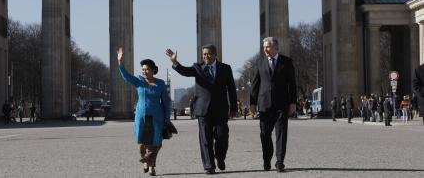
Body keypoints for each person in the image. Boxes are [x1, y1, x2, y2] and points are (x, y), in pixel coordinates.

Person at [166, 44, 237, 175]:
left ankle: (220, 158)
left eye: (208, 54)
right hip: (203, 109)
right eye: (204, 54)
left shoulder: (225, 68)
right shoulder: (197, 67)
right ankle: (209, 166)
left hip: (220, 108)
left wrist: (234, 108)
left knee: (222, 136)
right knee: (205, 138)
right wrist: (175, 62)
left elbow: (232, 89)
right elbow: (184, 71)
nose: (206, 56)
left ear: (215, 54)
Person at [118, 47, 170, 176]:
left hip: (156, 117)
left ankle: (152, 166)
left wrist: (167, 117)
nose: (144, 71)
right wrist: (120, 62)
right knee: (142, 143)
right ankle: (145, 161)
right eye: (143, 69)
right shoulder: (139, 81)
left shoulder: (160, 84)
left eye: (147, 69)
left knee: (155, 143)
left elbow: (166, 102)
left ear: (153, 70)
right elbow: (126, 76)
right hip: (141, 116)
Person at [250, 37, 297, 173]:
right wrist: (252, 103)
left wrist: (293, 102)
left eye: (267, 47)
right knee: (265, 134)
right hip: (264, 105)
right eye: (264, 47)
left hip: (282, 104)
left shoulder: (287, 62)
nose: (265, 49)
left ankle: (280, 162)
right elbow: (255, 84)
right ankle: (266, 159)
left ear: (276, 47)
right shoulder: (259, 63)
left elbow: (292, 84)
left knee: (281, 134)